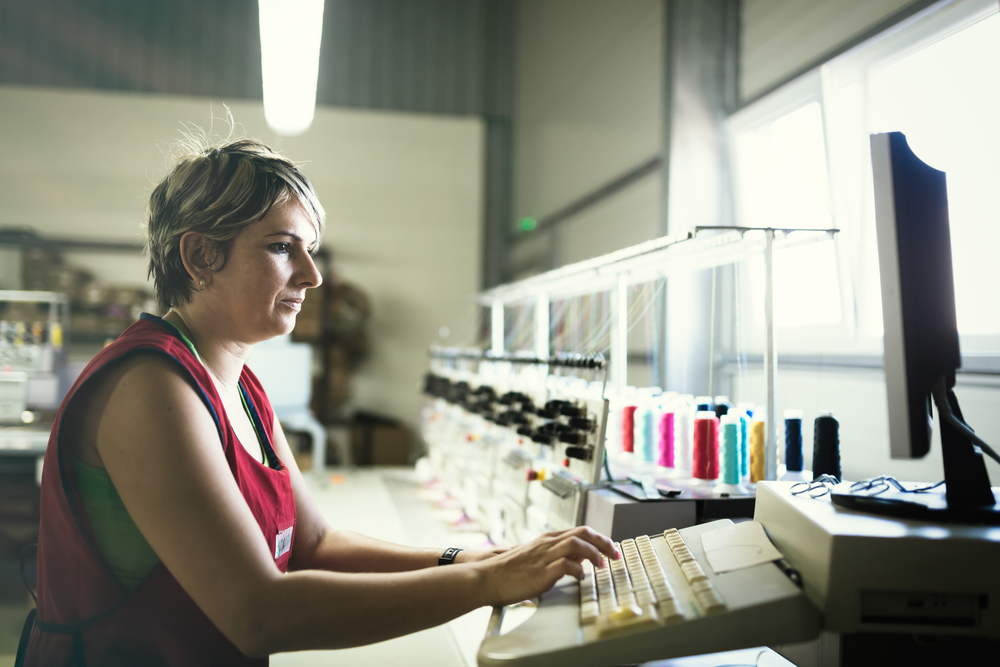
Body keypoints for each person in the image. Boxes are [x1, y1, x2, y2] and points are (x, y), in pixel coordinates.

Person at [19, 135, 616, 666]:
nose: (313, 275)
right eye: (283, 247)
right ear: (201, 256)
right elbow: (258, 614)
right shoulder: (151, 386)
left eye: (309, 249)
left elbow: (313, 546)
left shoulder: (240, 383)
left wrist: (477, 560)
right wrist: (488, 584)